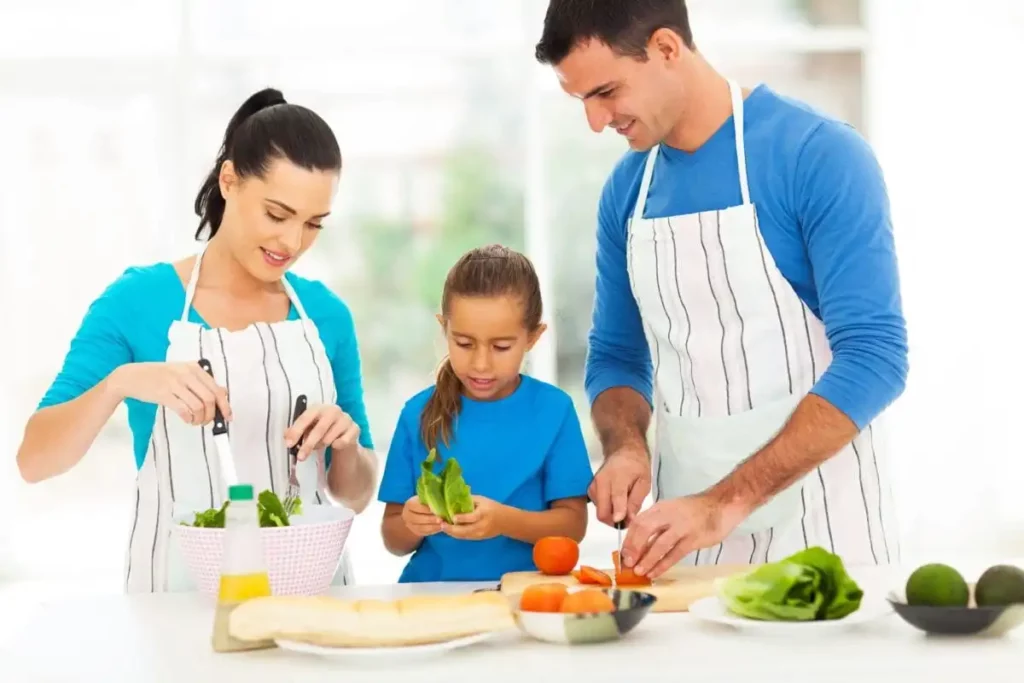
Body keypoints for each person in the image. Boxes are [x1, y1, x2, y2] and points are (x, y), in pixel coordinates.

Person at [534, 0, 908, 579]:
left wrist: (723, 504)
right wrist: (626, 446)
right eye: (582, 100)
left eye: (606, 92)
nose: (595, 120)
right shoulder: (626, 193)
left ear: (666, 48)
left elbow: (876, 358)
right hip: (684, 546)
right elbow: (616, 358)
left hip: (824, 533)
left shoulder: (817, 155)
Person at [16, 87, 378, 592]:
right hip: (177, 601)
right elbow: (35, 461)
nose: (292, 243)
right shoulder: (137, 301)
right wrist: (120, 383)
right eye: (277, 215)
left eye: (313, 223)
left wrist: (349, 444)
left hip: (310, 599)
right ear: (229, 180)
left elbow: (357, 495)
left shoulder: (327, 316)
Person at [377, 244, 594, 582]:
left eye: (501, 347)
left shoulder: (554, 411)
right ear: (444, 328)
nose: (481, 363)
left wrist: (503, 521)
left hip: (523, 595)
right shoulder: (416, 414)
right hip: (430, 596)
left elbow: (572, 525)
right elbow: (393, 539)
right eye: (464, 343)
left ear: (533, 337)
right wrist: (410, 521)